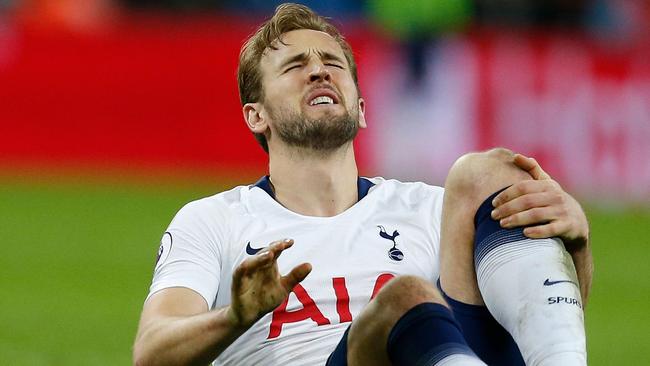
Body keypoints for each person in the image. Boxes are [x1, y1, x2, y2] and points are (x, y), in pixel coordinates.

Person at [133, 3, 592, 365]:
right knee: (406, 297)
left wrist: (574, 244)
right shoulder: (214, 220)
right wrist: (234, 318)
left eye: (333, 63)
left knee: (492, 173)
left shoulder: (431, 210)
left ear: (361, 108)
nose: (319, 71)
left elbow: (534, 321)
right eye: (295, 66)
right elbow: (152, 352)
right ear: (257, 116)